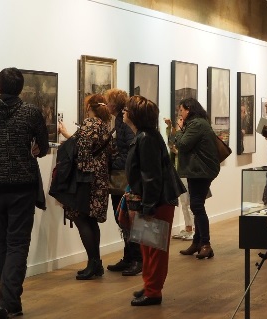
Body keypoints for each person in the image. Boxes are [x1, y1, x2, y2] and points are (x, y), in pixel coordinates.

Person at [0, 67, 49, 319]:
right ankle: (8, 302)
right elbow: (42, 147)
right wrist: (32, 149)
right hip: (22, 187)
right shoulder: (30, 113)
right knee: (17, 244)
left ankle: (10, 301)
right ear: (20, 88)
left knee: (1, 244)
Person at [123, 96, 186, 306]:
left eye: (127, 109)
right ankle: (150, 285)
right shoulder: (144, 135)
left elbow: (151, 176)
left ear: (135, 115)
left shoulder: (146, 138)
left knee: (154, 249)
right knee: (147, 245)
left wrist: (148, 206)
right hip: (153, 199)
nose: (123, 112)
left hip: (157, 201)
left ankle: (153, 292)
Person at [58, 94, 113, 280]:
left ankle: (93, 263)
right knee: (90, 220)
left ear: (89, 106)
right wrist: (68, 135)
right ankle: (95, 263)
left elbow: (81, 153)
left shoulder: (90, 124)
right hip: (99, 179)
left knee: (82, 219)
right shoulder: (103, 125)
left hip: (86, 180)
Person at [174, 98, 220, 259]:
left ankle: (206, 244)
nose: (180, 113)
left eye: (181, 110)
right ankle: (197, 242)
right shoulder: (198, 123)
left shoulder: (196, 124)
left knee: (196, 206)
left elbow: (184, 144)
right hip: (198, 170)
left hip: (201, 171)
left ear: (189, 109)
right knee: (197, 205)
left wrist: (178, 130)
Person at [104, 88, 142, 277]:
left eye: (108, 101)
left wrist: (113, 162)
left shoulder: (123, 121)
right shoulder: (119, 119)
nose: (106, 105)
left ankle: (136, 259)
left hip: (124, 177)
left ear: (115, 104)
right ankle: (129, 257)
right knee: (123, 218)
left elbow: (128, 150)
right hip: (122, 175)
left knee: (128, 218)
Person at [166, 115, 194, 240]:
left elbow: (182, 150)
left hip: (187, 172)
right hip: (179, 171)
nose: (179, 121)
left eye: (181, 119)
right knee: (183, 202)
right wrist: (169, 127)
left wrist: (176, 150)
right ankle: (188, 228)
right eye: (178, 119)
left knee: (189, 202)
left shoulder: (188, 135)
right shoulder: (179, 134)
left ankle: (193, 229)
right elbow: (172, 144)